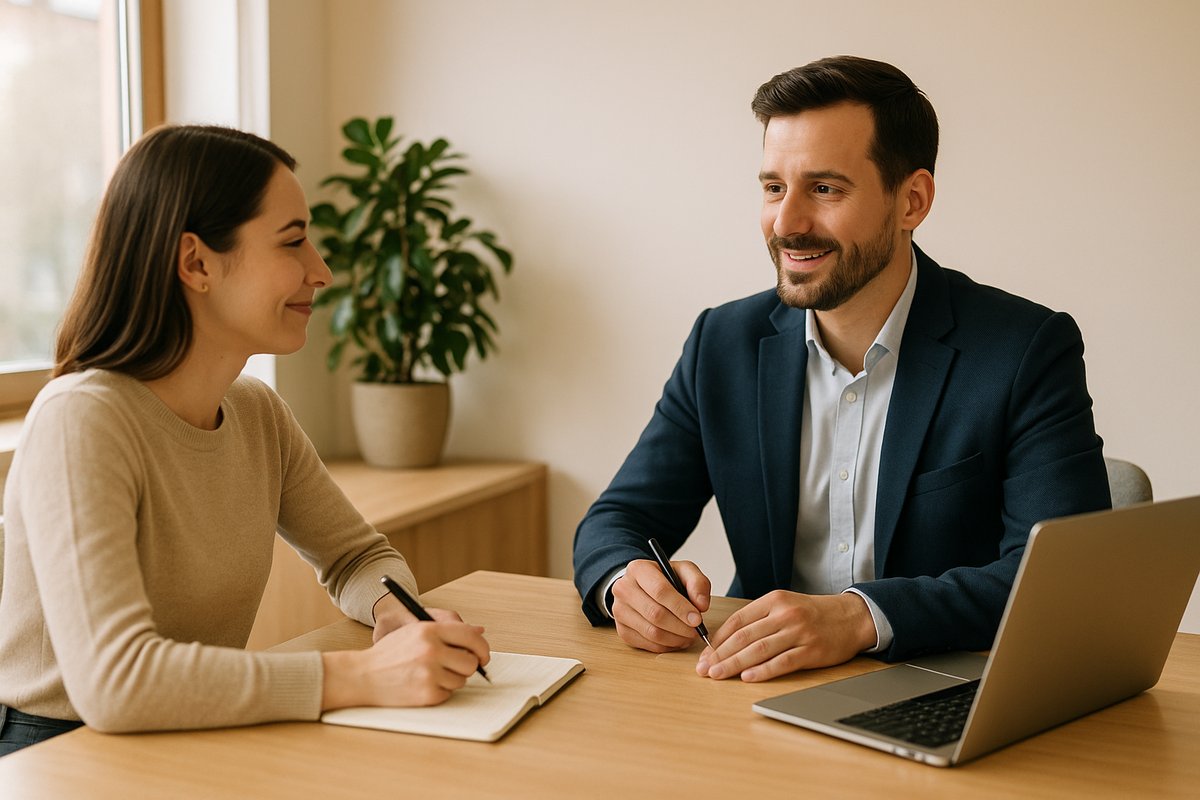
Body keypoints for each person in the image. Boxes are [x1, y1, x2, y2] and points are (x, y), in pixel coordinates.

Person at [572, 56, 1110, 683]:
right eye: (774, 187)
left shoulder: (1024, 350)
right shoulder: (722, 342)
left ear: (911, 201)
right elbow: (617, 520)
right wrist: (625, 583)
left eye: (825, 189)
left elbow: (1059, 581)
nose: (787, 223)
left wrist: (859, 619)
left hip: (947, 687)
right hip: (756, 689)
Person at [0, 125, 490, 756]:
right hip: (61, 753)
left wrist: (393, 613)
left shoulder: (255, 410)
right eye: (293, 241)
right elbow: (115, 682)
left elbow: (357, 558)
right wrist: (363, 675)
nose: (321, 270)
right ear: (196, 263)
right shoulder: (81, 420)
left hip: (193, 729)